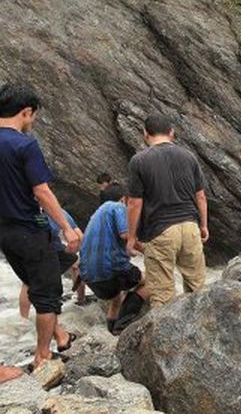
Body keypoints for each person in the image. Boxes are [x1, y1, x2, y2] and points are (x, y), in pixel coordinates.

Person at [0, 83, 81, 370]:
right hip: (30, 229)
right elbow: (42, 191)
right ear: (26, 112)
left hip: (6, 234)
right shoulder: (24, 144)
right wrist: (67, 227)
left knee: (46, 275)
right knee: (48, 294)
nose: (32, 122)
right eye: (32, 116)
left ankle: (60, 335)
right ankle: (42, 357)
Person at [126, 114, 209, 308]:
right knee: (197, 288)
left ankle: (165, 337)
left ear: (145, 134)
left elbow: (134, 203)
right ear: (171, 133)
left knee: (162, 295)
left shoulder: (139, 161)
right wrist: (203, 225)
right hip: (190, 227)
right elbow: (201, 196)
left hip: (160, 231)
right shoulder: (189, 156)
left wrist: (131, 237)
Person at [80, 183, 148, 335]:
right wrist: (147, 251)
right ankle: (122, 325)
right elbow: (126, 234)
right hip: (110, 268)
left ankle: (111, 333)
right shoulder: (117, 207)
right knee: (152, 281)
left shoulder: (97, 214)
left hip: (88, 276)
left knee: (116, 298)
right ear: (124, 199)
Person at [19, 209, 85, 320]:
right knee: (77, 264)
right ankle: (81, 299)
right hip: (45, 249)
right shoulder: (55, 212)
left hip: (39, 247)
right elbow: (79, 236)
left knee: (29, 281)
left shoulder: (27, 210)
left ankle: (23, 318)